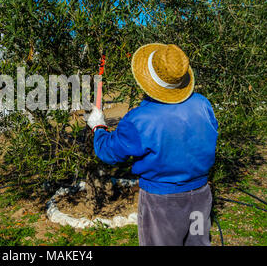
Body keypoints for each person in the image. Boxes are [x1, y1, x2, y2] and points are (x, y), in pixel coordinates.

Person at [86, 43, 219, 246]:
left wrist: (98, 127)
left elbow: (109, 152)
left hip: (162, 204)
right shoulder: (202, 104)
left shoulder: (141, 118)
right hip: (200, 197)